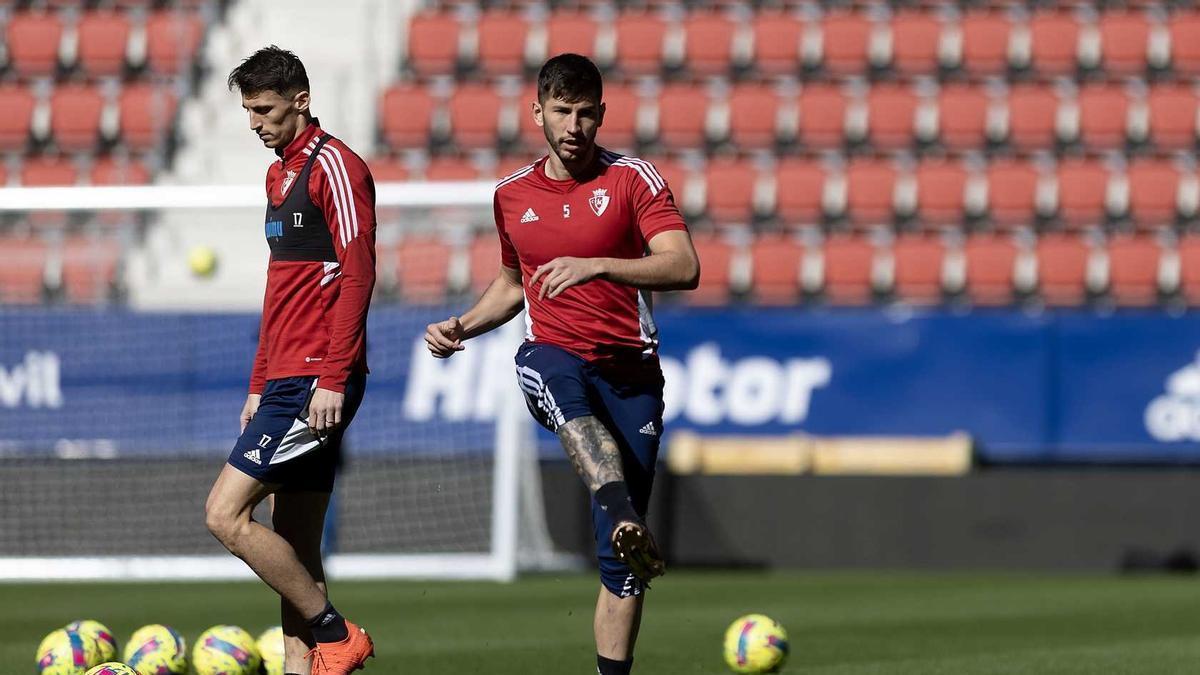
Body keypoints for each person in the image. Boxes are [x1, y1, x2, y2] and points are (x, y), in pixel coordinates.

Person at [425, 53, 699, 675]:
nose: (574, 126)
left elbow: (684, 265)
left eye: (585, 113)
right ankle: (622, 510)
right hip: (554, 354)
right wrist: (461, 325)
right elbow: (511, 284)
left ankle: (621, 552)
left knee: (622, 571)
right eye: (561, 111)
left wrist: (600, 264)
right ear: (537, 113)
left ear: (602, 115)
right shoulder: (511, 195)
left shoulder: (634, 180)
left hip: (631, 374)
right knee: (556, 383)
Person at [205, 46, 376, 675]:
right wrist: (258, 378)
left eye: (265, 108)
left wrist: (332, 377)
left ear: (301, 101)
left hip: (314, 379)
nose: (254, 122)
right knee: (298, 544)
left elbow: (357, 275)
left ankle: (337, 632)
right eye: (248, 110)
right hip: (283, 377)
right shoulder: (277, 174)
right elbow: (281, 290)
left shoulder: (338, 167)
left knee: (224, 514)